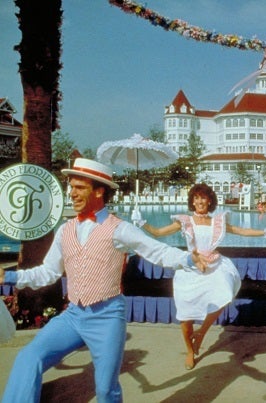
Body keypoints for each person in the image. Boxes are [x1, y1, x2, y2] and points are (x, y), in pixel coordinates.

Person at [0, 158, 208, 403]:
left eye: (80, 187)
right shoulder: (64, 230)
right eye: (71, 187)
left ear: (99, 191)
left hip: (107, 316)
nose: (72, 193)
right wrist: (9, 276)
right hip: (73, 315)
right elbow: (48, 272)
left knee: (106, 389)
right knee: (28, 357)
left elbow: (157, 251)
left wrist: (189, 258)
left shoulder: (119, 229)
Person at [137, 183, 266, 370]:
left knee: (224, 294)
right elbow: (158, 233)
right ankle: (190, 350)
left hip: (214, 266)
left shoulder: (217, 222)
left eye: (203, 198)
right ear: (192, 201)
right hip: (190, 268)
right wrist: (142, 223)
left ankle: (202, 333)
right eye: (196, 198)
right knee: (185, 317)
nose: (199, 201)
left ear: (210, 200)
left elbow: (242, 231)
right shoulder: (185, 221)